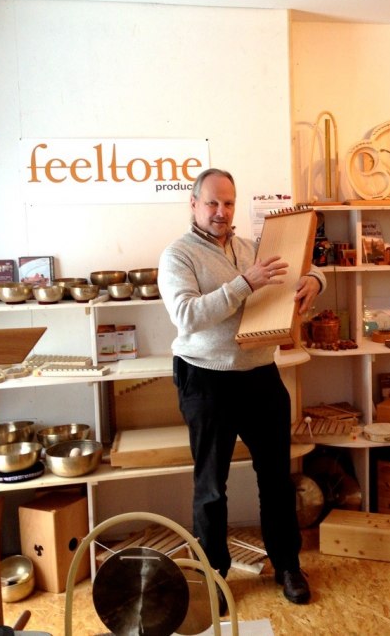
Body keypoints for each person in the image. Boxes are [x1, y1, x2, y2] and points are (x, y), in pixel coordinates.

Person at [158, 168, 325, 608]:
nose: (221, 211)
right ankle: (214, 573)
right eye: (212, 202)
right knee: (211, 485)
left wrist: (314, 281)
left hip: (259, 375)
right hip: (205, 377)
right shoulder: (177, 256)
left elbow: (306, 269)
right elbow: (187, 316)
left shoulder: (251, 247)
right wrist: (243, 284)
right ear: (193, 204)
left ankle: (287, 564)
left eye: (228, 203)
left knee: (276, 477)